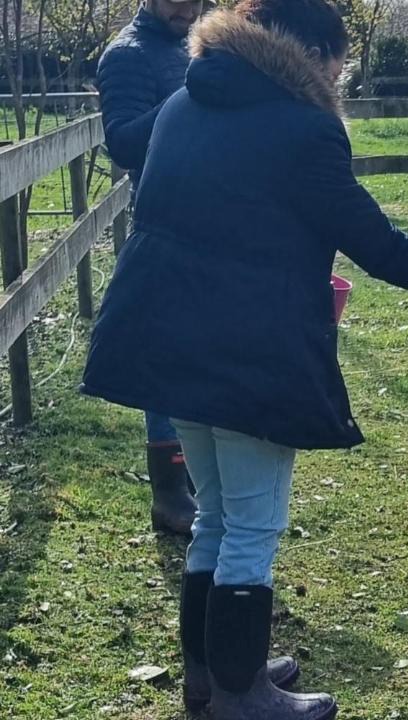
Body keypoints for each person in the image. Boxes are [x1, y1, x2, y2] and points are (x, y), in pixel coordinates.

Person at [80, 0, 408, 717]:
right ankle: (242, 695)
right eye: (339, 64)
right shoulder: (305, 129)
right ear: (312, 56)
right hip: (247, 354)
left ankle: (213, 676)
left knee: (216, 519)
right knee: (249, 527)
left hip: (165, 345)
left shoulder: (178, 109)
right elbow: (377, 243)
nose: (341, 78)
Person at [96, 0, 204, 535]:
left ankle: (203, 476)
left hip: (214, 218)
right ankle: (168, 491)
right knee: (168, 354)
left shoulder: (199, 43)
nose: (191, 8)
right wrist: (192, 96)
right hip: (163, 221)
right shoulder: (126, 55)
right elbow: (120, 142)